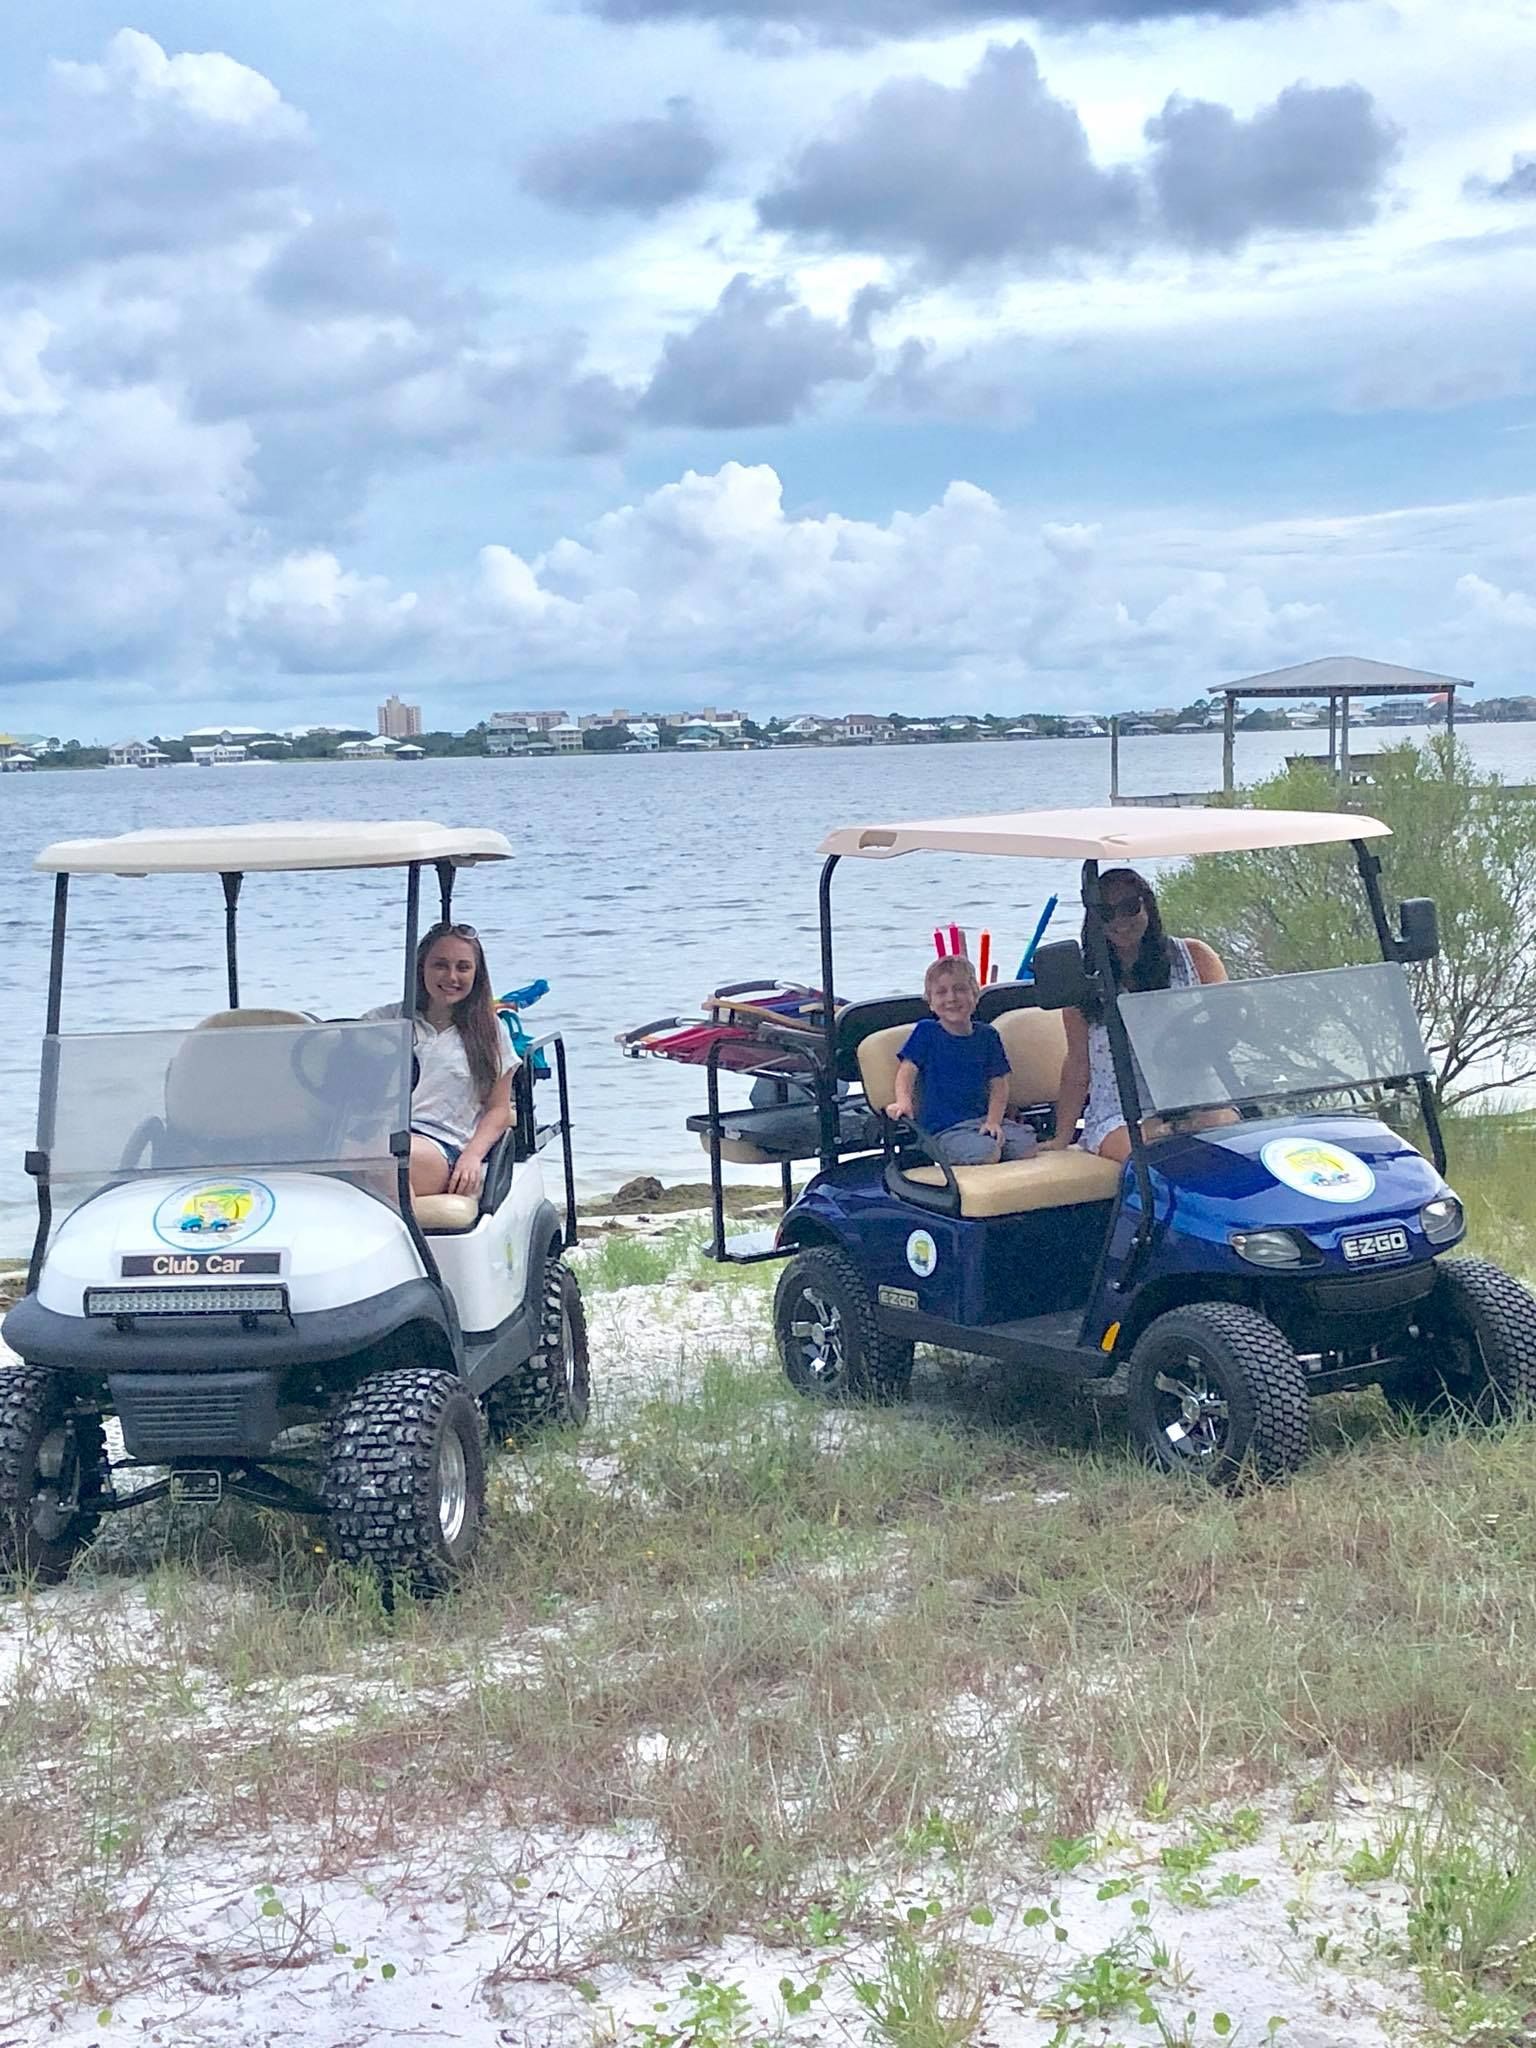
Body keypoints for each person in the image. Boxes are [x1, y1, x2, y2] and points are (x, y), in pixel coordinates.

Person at [1047, 868, 1227, 1162]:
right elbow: (1079, 1064)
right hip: (1121, 1112)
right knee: (1159, 1154)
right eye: (1106, 912)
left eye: (1129, 907)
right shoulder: (1086, 979)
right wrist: (1061, 1138)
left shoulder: (1194, 957)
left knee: (1233, 1139)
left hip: (1197, 1099)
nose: (1120, 921)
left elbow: (1227, 1025)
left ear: (1148, 905)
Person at [366, 922, 517, 1198]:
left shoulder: (491, 1031)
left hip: (441, 1146)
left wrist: (472, 1156)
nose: (451, 976)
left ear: (476, 974)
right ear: (421, 967)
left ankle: (408, 1237)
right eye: (440, 965)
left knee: (383, 1160)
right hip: (381, 1136)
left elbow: (499, 1110)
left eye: (463, 967)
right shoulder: (385, 1021)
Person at [891, 955, 1038, 1166]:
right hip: (943, 1129)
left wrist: (993, 1121)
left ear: (975, 994)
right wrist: (903, 1102)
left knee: (1027, 1146)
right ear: (930, 1003)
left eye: (960, 989)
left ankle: (987, 1147)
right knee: (987, 1152)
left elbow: (999, 1085)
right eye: (941, 992)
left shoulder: (988, 1036)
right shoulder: (926, 1032)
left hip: (981, 1122)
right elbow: (907, 1072)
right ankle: (975, 1152)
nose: (951, 998)